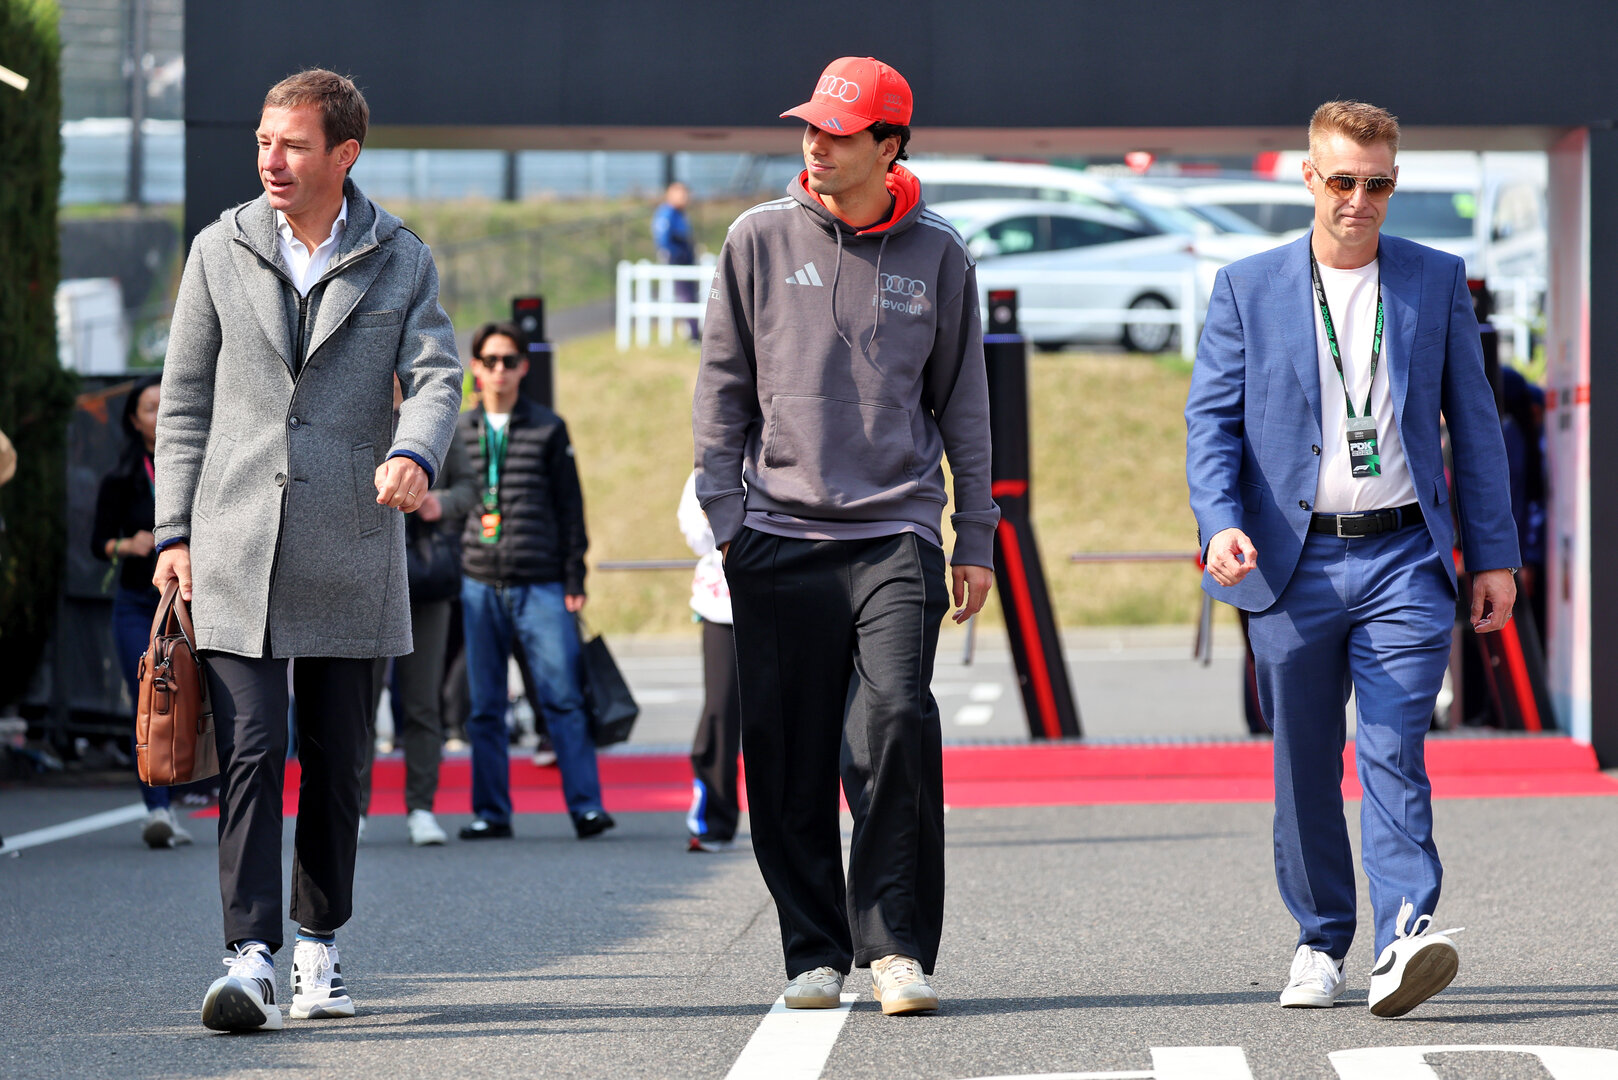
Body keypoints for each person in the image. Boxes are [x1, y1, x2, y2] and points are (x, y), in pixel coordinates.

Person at [1185, 100, 1520, 1019]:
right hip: (1290, 563)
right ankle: (1320, 938)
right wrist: (1217, 522)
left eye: (1378, 183)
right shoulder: (1246, 287)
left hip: (1405, 556)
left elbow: (1476, 428)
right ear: (1309, 180)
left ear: (1394, 183)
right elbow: (1209, 423)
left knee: (1394, 750)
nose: (1360, 200)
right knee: (1304, 762)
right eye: (1343, 181)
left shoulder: (1435, 279)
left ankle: (1403, 935)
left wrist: (1493, 554)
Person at [152, 69, 464, 1033]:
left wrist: (414, 451)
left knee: (335, 759)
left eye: (290, 144)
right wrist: (172, 532)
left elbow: (437, 375)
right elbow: (186, 404)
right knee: (252, 746)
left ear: (344, 153)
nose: (269, 161)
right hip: (234, 542)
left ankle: (319, 950)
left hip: (350, 543)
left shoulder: (399, 257)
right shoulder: (219, 247)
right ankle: (248, 956)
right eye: (261, 142)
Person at [692, 56, 998, 1016]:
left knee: (898, 723)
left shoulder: (941, 253)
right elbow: (721, 391)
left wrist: (975, 532)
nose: (815, 144)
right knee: (784, 752)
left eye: (837, 131)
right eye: (810, 128)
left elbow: (966, 405)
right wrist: (729, 518)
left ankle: (895, 946)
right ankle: (813, 951)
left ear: (890, 145)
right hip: (776, 532)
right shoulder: (755, 238)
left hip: (895, 532)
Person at [456, 321, 612, 842]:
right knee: (484, 707)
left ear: (524, 367)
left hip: (542, 582)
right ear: (475, 367)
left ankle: (587, 807)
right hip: (478, 582)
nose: (499, 370)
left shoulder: (549, 427)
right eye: (490, 360)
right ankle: (491, 812)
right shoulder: (456, 432)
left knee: (562, 697)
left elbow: (572, 509)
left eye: (509, 361)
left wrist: (575, 576)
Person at [358, 377, 479, 846]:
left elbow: (470, 488)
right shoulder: (351, 413)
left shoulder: (433, 417)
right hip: (363, 575)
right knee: (359, 703)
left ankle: (422, 808)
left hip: (424, 576)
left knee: (423, 699)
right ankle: (356, 808)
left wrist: (437, 501)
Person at [91, 373, 194, 849]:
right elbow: (97, 545)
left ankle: (188, 792)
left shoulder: (193, 465)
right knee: (151, 699)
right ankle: (158, 810)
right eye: (149, 408)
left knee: (192, 698)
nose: (159, 413)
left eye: (164, 403)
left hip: (190, 602)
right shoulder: (120, 477)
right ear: (134, 421)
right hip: (137, 604)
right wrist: (127, 545)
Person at [677, 471, 740, 853]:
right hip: (723, 607)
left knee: (789, 713)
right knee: (720, 712)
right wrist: (711, 513)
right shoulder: (708, 466)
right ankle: (714, 819)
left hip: (784, 598)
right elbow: (698, 539)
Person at [653, 180, 699, 341]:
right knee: (685, 296)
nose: (685, 198)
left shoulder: (680, 214)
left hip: (686, 259)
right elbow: (663, 240)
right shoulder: (667, 213)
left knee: (691, 296)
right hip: (678, 261)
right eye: (682, 194)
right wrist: (675, 255)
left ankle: (693, 330)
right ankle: (693, 334)